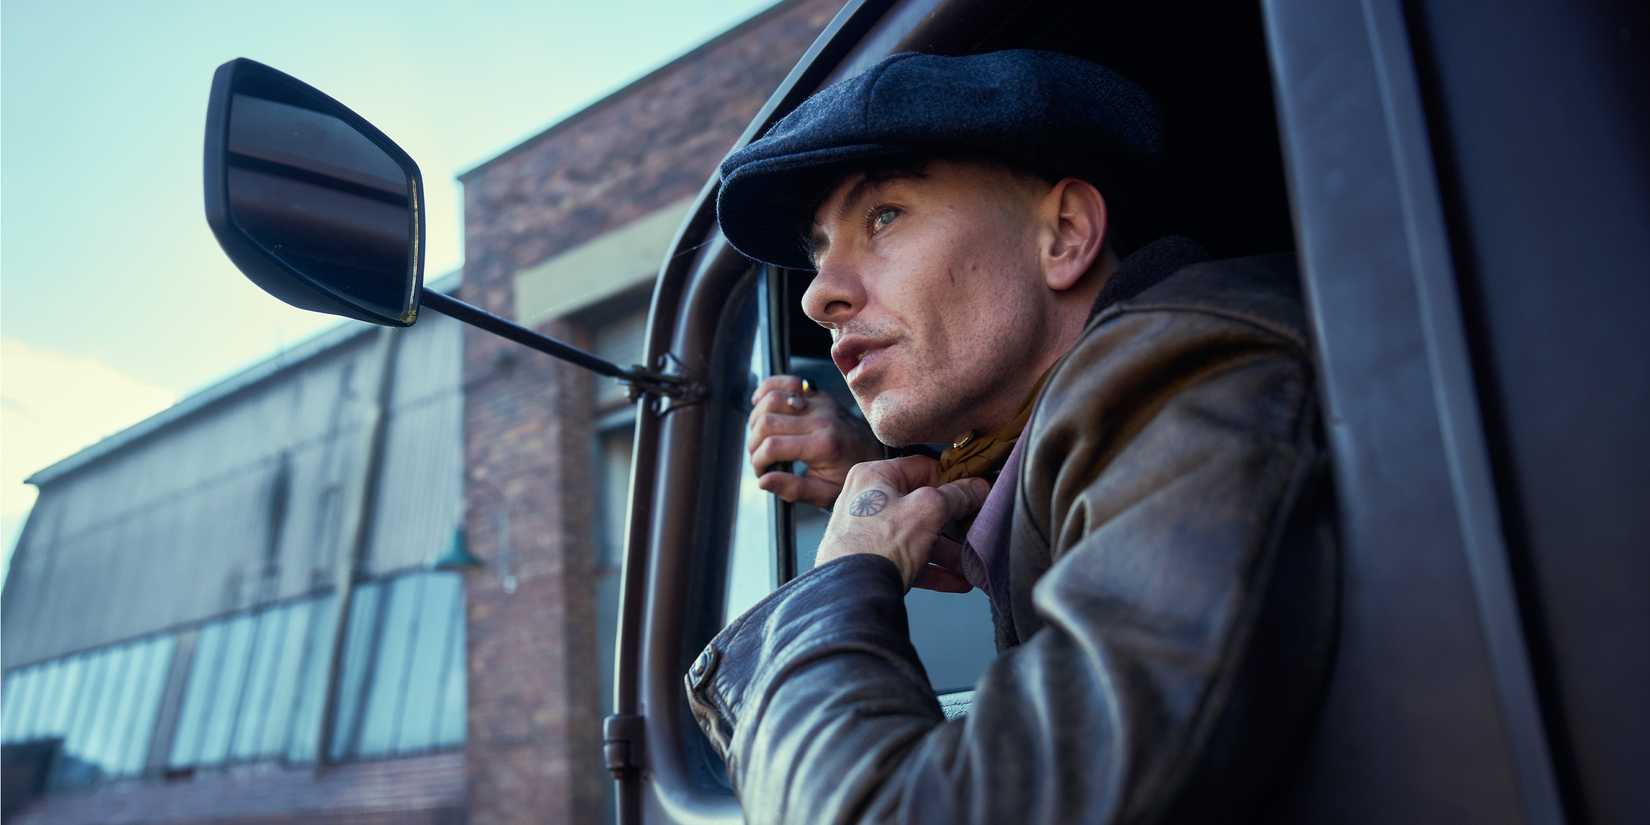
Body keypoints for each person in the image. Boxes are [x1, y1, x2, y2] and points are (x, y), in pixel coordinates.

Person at [685, 50, 1337, 824]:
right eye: (820, 251)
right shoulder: (1138, 402)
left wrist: (837, 585)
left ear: (1063, 234)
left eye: (884, 215)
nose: (820, 294)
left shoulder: (1188, 382)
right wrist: (921, 491)